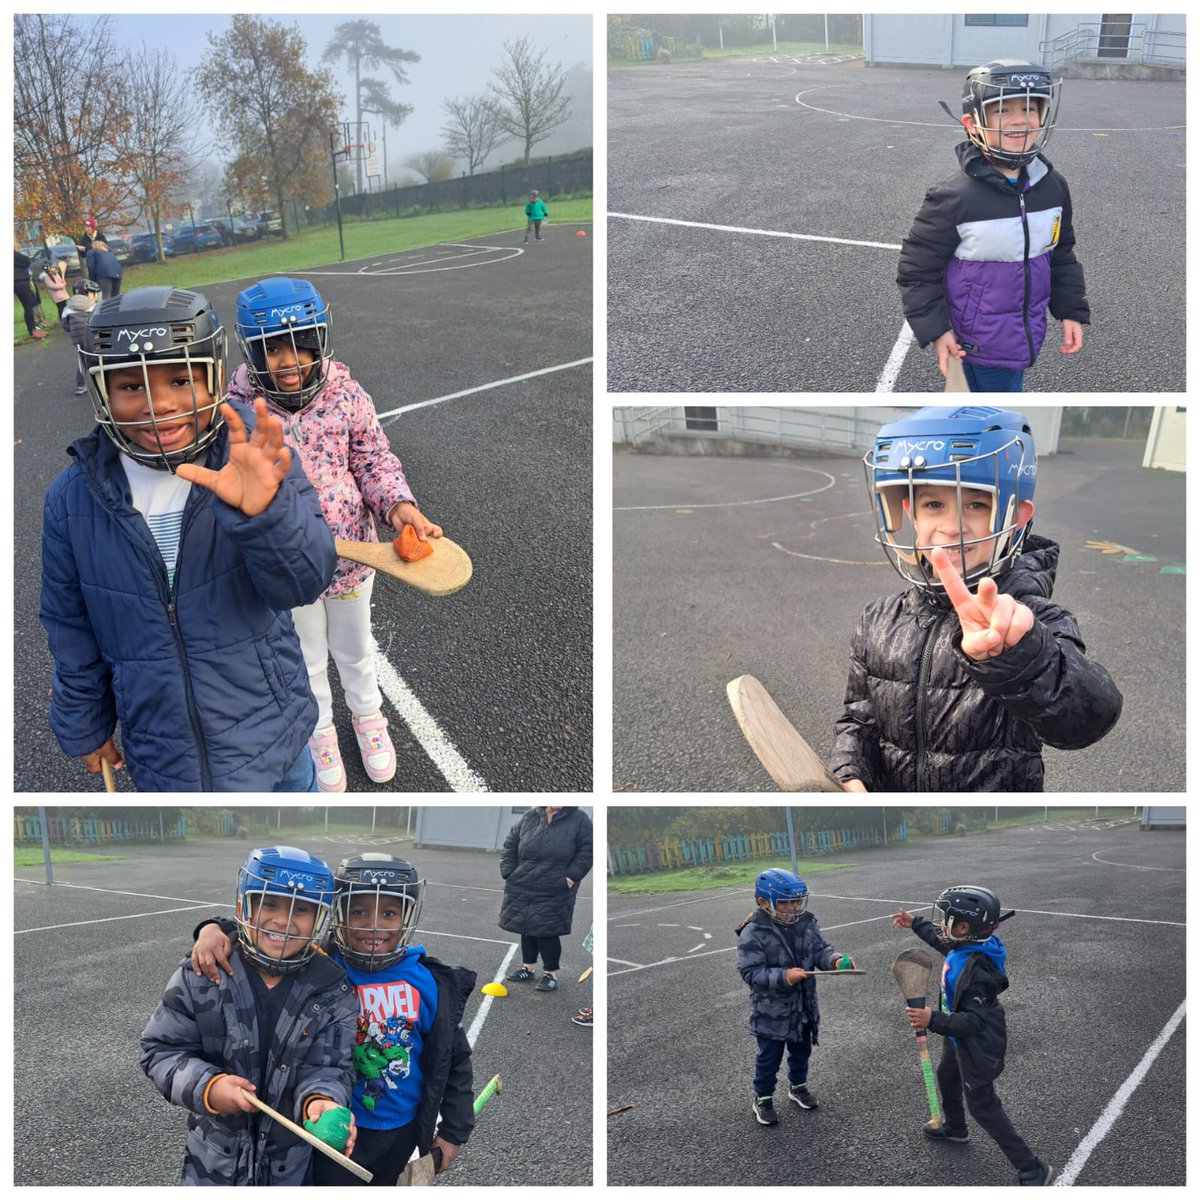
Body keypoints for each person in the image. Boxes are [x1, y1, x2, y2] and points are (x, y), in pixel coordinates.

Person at [39, 285, 338, 790]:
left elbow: (304, 583)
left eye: (181, 378)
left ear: (214, 375)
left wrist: (265, 515)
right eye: (131, 386)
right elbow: (71, 626)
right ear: (100, 390)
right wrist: (85, 722)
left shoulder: (255, 457)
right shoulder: (72, 499)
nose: (161, 405)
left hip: (273, 741)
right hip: (162, 755)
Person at [831, 405, 1121, 791]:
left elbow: (1088, 718)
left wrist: (1022, 656)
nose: (952, 526)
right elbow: (858, 718)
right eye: (933, 504)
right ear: (908, 512)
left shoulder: (1029, 621)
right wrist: (850, 771)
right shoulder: (879, 619)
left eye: (976, 504)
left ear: (1014, 516)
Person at [227, 276, 443, 791]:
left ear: (320, 339)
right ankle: (319, 729)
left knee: (354, 648)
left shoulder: (347, 394)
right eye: (272, 349)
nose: (288, 361)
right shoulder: (237, 409)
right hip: (288, 568)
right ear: (251, 350)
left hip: (351, 559)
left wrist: (399, 506)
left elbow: (372, 458)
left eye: (300, 345)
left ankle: (369, 718)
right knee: (306, 656)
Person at [191, 852, 477, 1186]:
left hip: (401, 1132)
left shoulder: (427, 982)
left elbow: (454, 1061)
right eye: (358, 911)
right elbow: (270, 938)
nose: (373, 925)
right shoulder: (320, 966)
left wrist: (454, 1132)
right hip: (329, 1126)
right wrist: (214, 929)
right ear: (337, 913)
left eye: (388, 913)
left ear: (408, 915)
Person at [140, 846, 358, 1185]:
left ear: (319, 918)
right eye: (269, 903)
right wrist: (209, 1087)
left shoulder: (331, 989)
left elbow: (331, 1067)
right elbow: (161, 1051)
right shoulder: (202, 973)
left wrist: (323, 1101)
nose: (283, 920)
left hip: (289, 1170)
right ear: (244, 905)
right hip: (211, 1167)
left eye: (301, 909)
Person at [897, 61, 1088, 392]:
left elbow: (1061, 254)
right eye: (1001, 109)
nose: (1019, 119)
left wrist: (1070, 310)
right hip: (976, 345)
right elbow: (917, 271)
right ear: (973, 124)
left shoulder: (1054, 187)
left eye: (1030, 107)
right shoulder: (953, 197)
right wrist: (937, 329)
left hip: (1022, 338)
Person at [891, 886, 1052, 1185]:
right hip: (956, 1038)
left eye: (947, 919)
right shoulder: (963, 944)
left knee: (983, 1105)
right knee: (946, 1076)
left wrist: (932, 1018)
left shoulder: (977, 971)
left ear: (964, 928)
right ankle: (956, 1128)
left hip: (975, 1043)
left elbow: (975, 1023)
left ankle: (1032, 1168)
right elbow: (939, 940)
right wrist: (914, 922)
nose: (941, 925)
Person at [735, 870, 855, 1127]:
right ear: (763, 903)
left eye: (796, 902)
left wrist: (834, 960)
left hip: (803, 1007)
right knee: (769, 1057)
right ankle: (763, 1098)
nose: (792, 908)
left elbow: (821, 950)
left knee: (801, 1051)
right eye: (785, 903)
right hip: (771, 1013)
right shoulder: (753, 931)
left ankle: (798, 1086)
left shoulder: (806, 924)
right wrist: (785, 976)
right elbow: (750, 972)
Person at [500, 806, 593, 992]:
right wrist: (509, 872)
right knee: (526, 926)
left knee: (547, 931)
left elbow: (588, 851)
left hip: (555, 886)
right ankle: (528, 968)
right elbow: (510, 844)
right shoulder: (529, 816)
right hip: (524, 883)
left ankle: (550, 974)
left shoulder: (579, 819)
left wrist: (570, 877)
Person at [60, 278, 102, 394]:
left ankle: (80, 386)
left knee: (82, 363)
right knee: (101, 360)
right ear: (89, 293)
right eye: (94, 293)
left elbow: (65, 326)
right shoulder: (95, 306)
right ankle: (103, 385)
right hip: (96, 338)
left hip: (79, 341)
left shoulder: (68, 308)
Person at [14, 244, 47, 339]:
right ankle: (32, 330)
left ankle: (33, 329)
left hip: (19, 280)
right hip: (20, 281)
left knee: (29, 305)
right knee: (28, 305)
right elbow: (27, 260)